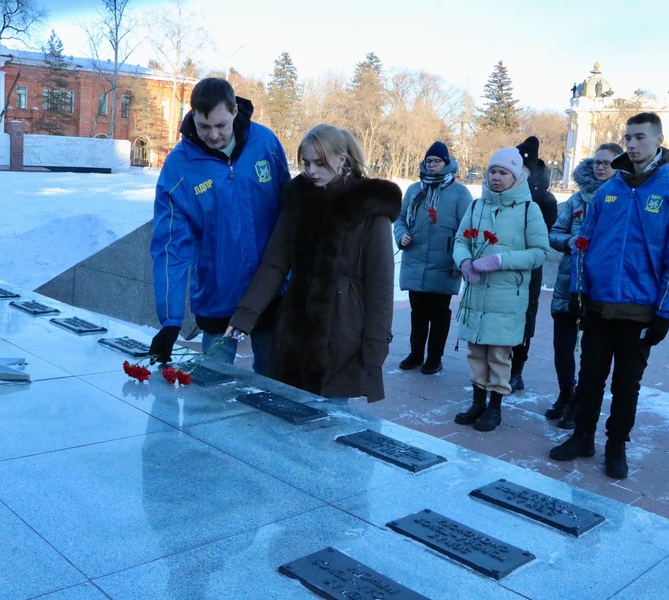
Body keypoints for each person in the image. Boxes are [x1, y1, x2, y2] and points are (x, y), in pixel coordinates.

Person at [550, 112, 669, 479]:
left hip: (640, 311)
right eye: (628, 137)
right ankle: (583, 436)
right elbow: (585, 244)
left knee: (626, 384)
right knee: (591, 376)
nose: (632, 144)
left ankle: (616, 445)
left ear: (659, 141)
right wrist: (578, 292)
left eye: (640, 137)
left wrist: (665, 312)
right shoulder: (608, 192)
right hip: (598, 306)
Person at [226, 124, 401, 402]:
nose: (312, 171)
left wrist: (375, 347)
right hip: (295, 327)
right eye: (306, 163)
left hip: (343, 332)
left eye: (320, 163)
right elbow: (274, 263)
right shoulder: (299, 200)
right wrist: (246, 314)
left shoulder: (369, 208)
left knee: (332, 420)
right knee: (287, 413)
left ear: (341, 160)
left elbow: (380, 285)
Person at [149, 78, 290, 373]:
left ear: (235, 111)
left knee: (274, 383)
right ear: (192, 117)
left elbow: (291, 210)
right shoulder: (179, 167)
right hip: (218, 292)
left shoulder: (264, 143)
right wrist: (171, 320)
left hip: (269, 291)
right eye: (204, 126)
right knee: (211, 383)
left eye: (221, 126)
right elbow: (170, 247)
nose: (213, 135)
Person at [451, 148, 550, 431]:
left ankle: (495, 407)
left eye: (503, 173)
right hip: (476, 291)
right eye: (492, 172)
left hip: (507, 295)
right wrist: (465, 261)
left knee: (498, 353)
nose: (496, 177)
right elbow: (460, 240)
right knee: (476, 351)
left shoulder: (529, 210)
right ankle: (477, 402)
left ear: (516, 176)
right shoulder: (476, 206)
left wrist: (500, 260)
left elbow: (539, 253)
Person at [544, 142, 623, 428]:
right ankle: (565, 394)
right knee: (562, 347)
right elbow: (554, 234)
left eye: (607, 163)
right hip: (568, 283)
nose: (600, 167)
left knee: (591, 352)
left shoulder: (622, 198)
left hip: (598, 288)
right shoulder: (576, 201)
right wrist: (572, 243)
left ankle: (579, 403)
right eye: (597, 162)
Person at [394, 141, 472, 374]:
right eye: (428, 161)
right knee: (418, 313)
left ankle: (434, 358)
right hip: (415, 262)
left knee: (439, 314)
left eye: (436, 161)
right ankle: (416, 354)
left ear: (446, 163)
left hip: (444, 264)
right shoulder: (414, 190)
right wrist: (402, 235)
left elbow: (466, 230)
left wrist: (459, 261)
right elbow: (399, 220)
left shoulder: (460, 193)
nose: (431, 165)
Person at [508, 136, 558, 392]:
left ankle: (517, 369)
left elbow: (543, 241)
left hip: (528, 271)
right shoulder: (501, 195)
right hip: (501, 269)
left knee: (525, 319)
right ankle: (498, 366)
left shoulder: (545, 200)